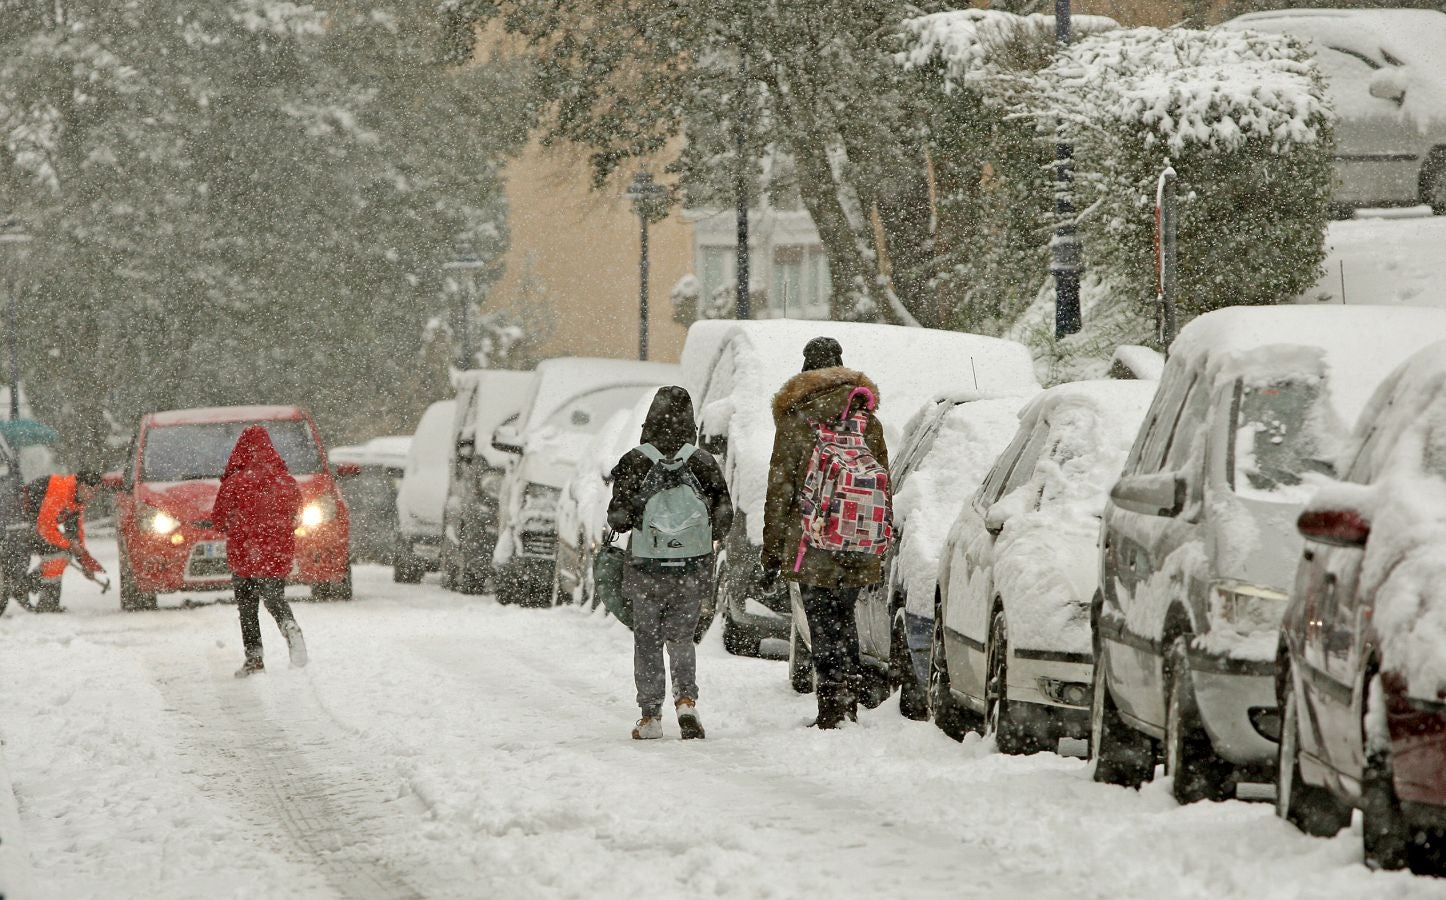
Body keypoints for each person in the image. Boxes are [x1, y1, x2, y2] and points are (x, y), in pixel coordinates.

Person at [761, 337, 891, 729]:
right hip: (859, 535)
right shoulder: (867, 419)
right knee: (844, 614)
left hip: (813, 538)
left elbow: (781, 488)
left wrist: (771, 550)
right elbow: (884, 482)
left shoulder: (797, 418)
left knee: (821, 620)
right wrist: (881, 541)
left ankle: (831, 704)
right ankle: (848, 697)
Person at [607, 386, 733, 741]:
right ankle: (687, 701)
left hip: (646, 566)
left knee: (647, 639)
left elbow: (617, 517)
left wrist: (636, 515)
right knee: (681, 638)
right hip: (691, 567)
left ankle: (650, 717)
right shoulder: (703, 461)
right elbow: (725, 515)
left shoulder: (636, 459)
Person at [212, 426, 308, 677]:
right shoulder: (285, 481)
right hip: (277, 550)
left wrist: (240, 524)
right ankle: (288, 624)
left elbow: (218, 520)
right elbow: (297, 514)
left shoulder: (234, 483)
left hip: (244, 551)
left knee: (247, 605)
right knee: (274, 595)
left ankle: (254, 658)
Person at [3, 471, 109, 612]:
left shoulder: (77, 501)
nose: (93, 497)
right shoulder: (61, 489)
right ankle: (27, 591)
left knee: (61, 554)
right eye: (92, 491)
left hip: (31, 526)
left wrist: (84, 561)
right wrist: (70, 545)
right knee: (58, 555)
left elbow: (76, 534)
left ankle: (30, 592)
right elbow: (45, 528)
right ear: (82, 485)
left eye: (96, 492)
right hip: (15, 524)